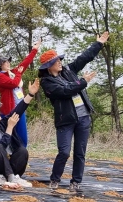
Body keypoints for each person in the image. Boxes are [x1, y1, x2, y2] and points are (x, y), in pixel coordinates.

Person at [38, 31, 109, 191]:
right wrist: (83, 81)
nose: (60, 62)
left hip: (83, 118)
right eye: (57, 61)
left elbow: (83, 58)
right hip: (66, 120)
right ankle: (55, 180)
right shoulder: (47, 83)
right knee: (64, 152)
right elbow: (66, 90)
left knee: (80, 153)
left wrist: (98, 44)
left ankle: (75, 182)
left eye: (60, 60)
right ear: (49, 66)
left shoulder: (69, 70)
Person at [0, 78, 40, 188]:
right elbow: (0, 148)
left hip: (10, 164)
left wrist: (30, 94)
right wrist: (10, 128)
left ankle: (10, 177)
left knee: (22, 150)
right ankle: (10, 177)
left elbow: (18, 110)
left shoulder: (3, 122)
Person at [0, 39, 41, 148]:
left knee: (22, 136)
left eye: (8, 61)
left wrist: (34, 50)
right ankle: (9, 157)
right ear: (0, 64)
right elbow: (14, 83)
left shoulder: (13, 72)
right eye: (6, 61)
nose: (8, 63)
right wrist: (18, 74)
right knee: (10, 136)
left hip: (20, 108)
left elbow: (25, 63)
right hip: (9, 111)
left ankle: (21, 155)